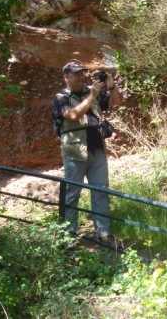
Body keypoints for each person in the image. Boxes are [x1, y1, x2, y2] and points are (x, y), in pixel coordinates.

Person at [52, 60, 122, 243]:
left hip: (97, 149)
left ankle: (103, 234)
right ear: (66, 77)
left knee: (101, 191)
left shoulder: (91, 92)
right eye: (76, 74)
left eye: (82, 73)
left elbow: (117, 101)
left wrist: (111, 86)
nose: (81, 77)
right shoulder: (61, 97)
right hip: (75, 151)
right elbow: (74, 116)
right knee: (72, 193)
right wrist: (92, 95)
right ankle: (69, 236)